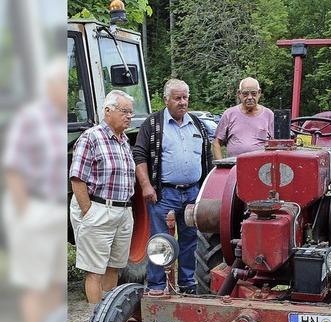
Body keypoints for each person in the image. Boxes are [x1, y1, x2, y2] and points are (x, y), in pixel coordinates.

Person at [3, 58, 67, 322]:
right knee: (34, 285)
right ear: (49, 86)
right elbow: (13, 168)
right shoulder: (31, 118)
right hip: (35, 209)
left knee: (53, 283)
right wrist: (25, 213)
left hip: (55, 210)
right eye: (63, 83)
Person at [133, 79, 213, 293]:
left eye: (185, 97)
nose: (182, 102)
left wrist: (205, 189)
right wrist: (146, 186)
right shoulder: (152, 124)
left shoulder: (197, 124)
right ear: (166, 99)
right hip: (164, 193)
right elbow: (139, 155)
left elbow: (207, 157)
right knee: (160, 242)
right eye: (177, 98)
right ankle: (158, 286)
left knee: (190, 241)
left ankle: (188, 284)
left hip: (193, 193)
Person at [69, 90, 136, 304]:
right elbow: (77, 178)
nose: (129, 116)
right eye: (125, 111)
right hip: (99, 209)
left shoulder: (124, 141)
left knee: (114, 267)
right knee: (94, 270)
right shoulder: (91, 137)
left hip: (123, 212)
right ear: (108, 111)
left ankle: (106, 320)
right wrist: (88, 211)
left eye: (130, 113)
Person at [212, 77, 274, 159]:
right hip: (234, 167)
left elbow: (277, 144)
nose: (249, 97)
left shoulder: (269, 114)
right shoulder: (229, 114)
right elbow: (216, 143)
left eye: (253, 93)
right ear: (239, 94)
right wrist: (220, 166)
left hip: (261, 168)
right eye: (245, 94)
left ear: (259, 93)